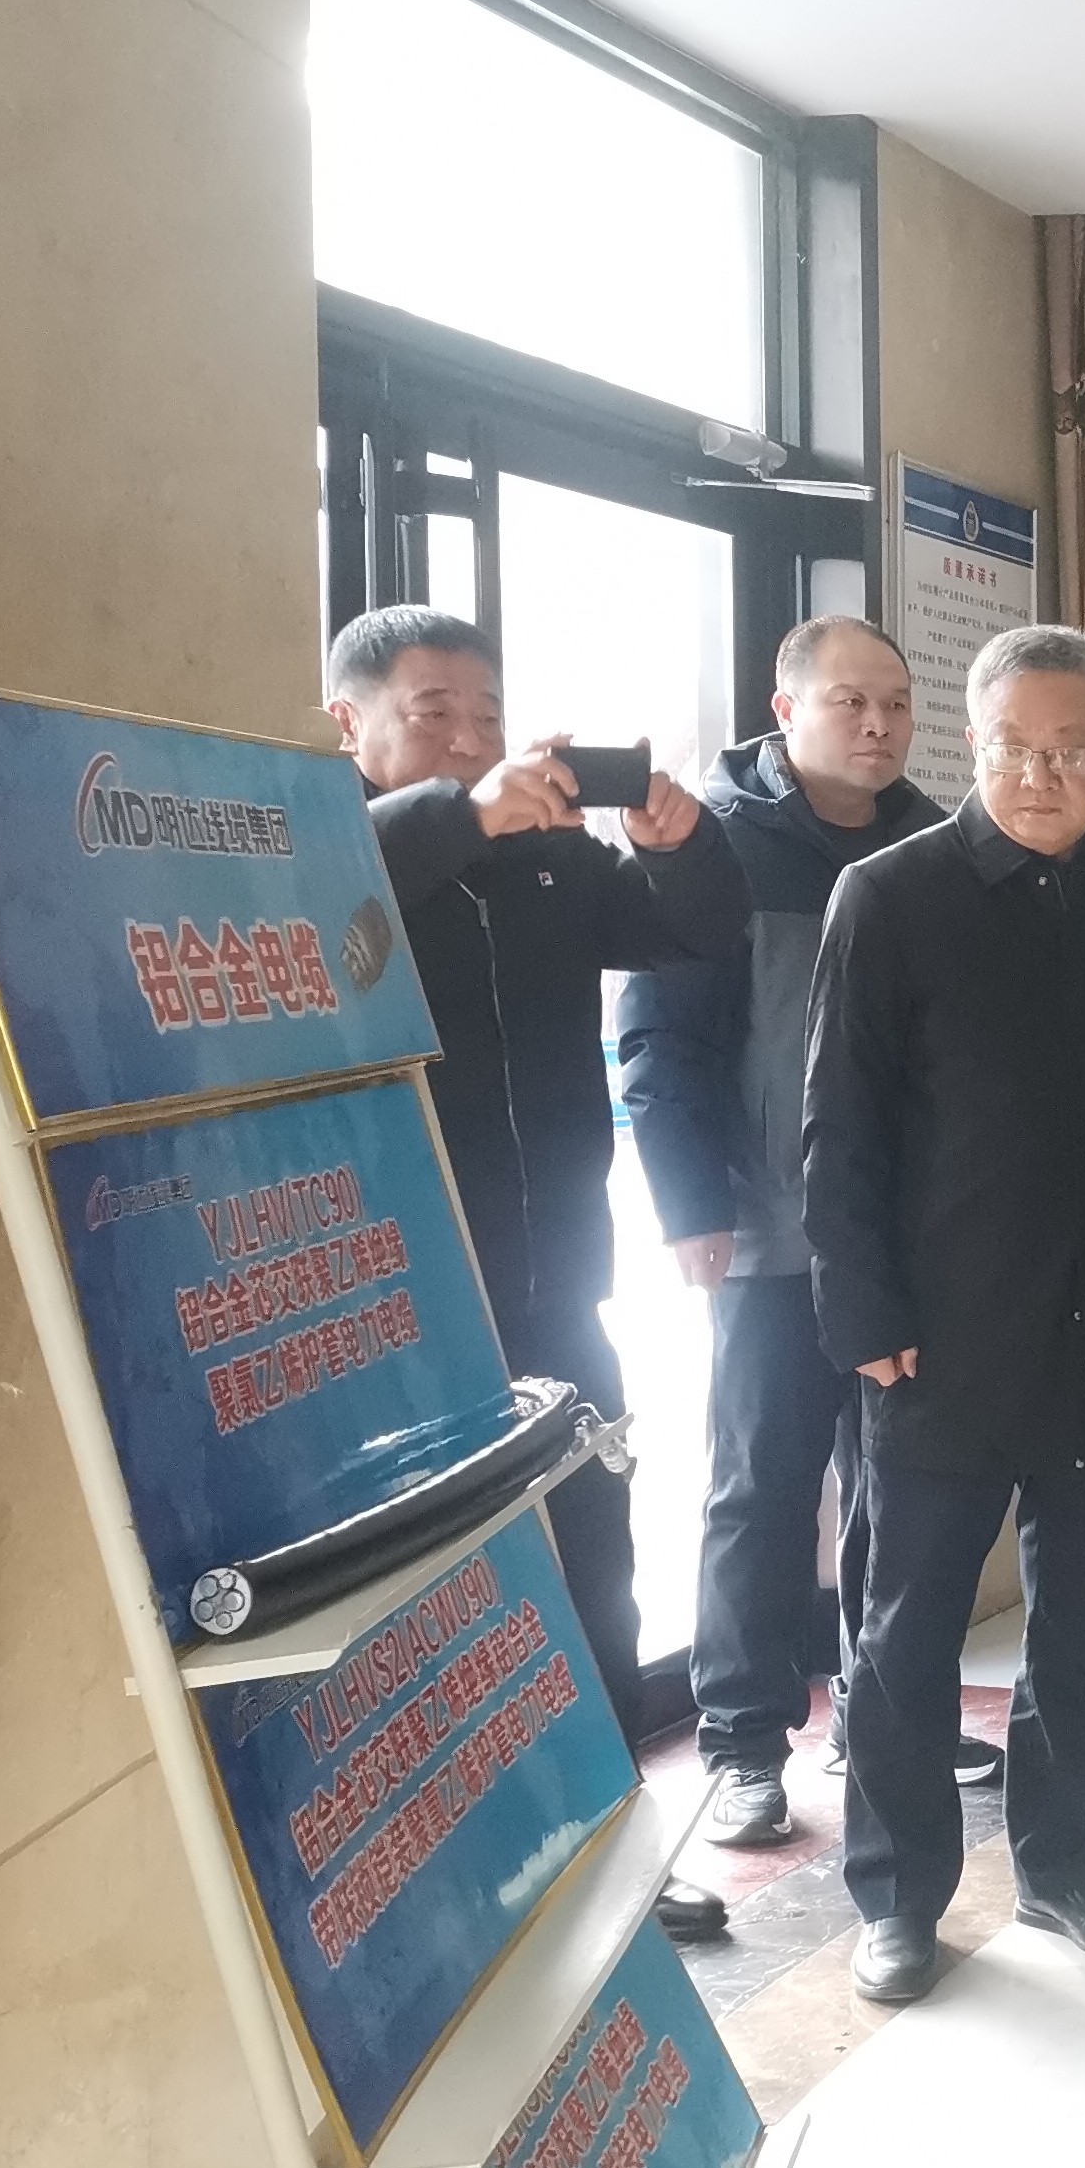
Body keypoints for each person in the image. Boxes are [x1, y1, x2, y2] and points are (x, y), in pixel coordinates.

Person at [803, 623, 1085, 2006]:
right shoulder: (889, 897)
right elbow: (838, 1127)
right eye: (1013, 749)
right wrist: (860, 1310)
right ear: (974, 743)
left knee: (1084, 1634)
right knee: (905, 1640)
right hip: (936, 1345)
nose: (1039, 776)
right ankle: (899, 1899)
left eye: (1069, 752)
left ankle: (1064, 1863)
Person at [329, 606, 749, 1940]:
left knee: (591, 1574)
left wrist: (680, 844)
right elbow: (321, 899)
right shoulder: (322, 843)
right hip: (392, 1316)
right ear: (348, 723)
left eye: (488, 717)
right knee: (421, 1609)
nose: (470, 740)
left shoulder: (552, 863)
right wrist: (463, 816)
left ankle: (613, 1856)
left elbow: (699, 932)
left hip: (558, 1294)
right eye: (433, 713)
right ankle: (452, 1895)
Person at [618, 616, 997, 1857]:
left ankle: (890, 1714)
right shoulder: (715, 847)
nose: (879, 725)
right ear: (785, 710)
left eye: (896, 703)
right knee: (761, 1487)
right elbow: (658, 1041)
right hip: (771, 1234)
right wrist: (691, 1204)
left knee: (903, 1485)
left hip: (906, 1242)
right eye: (850, 702)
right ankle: (742, 1741)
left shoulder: (938, 847)